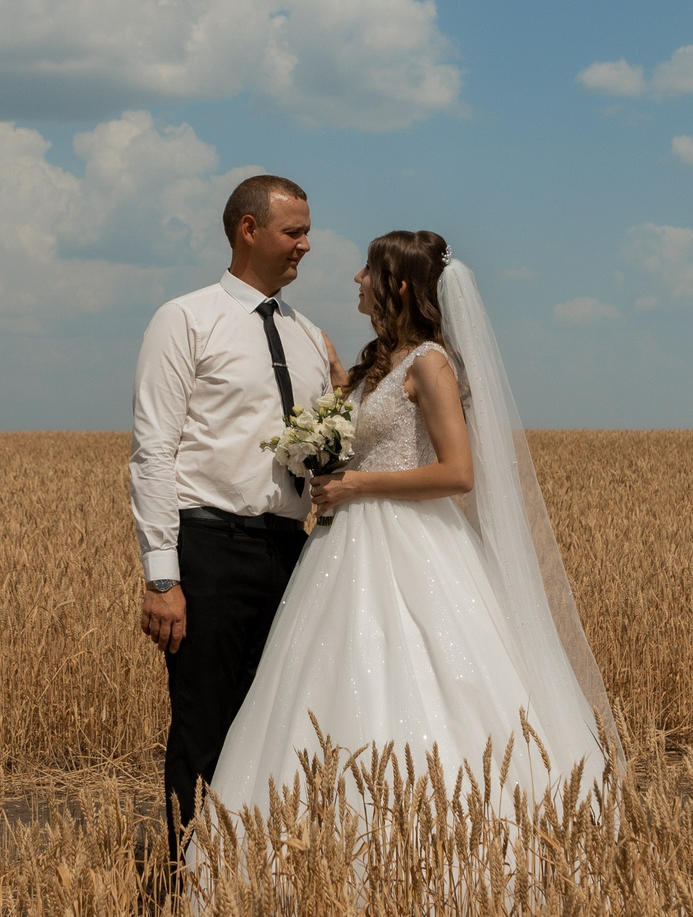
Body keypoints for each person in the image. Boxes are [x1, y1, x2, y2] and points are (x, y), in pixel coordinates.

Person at [208, 230, 620, 829]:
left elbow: (457, 473)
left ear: (399, 284)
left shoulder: (431, 364)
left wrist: (356, 486)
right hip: (346, 543)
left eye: (368, 269)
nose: (356, 277)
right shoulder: (380, 361)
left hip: (410, 541)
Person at [130, 175, 347, 845]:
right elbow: (153, 449)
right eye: (294, 231)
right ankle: (181, 896)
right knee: (204, 730)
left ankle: (249, 893)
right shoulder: (184, 318)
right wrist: (164, 576)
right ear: (248, 229)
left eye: (307, 231)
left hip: (292, 551)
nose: (306, 246)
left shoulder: (310, 335)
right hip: (211, 550)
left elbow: (326, 450)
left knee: (276, 727)